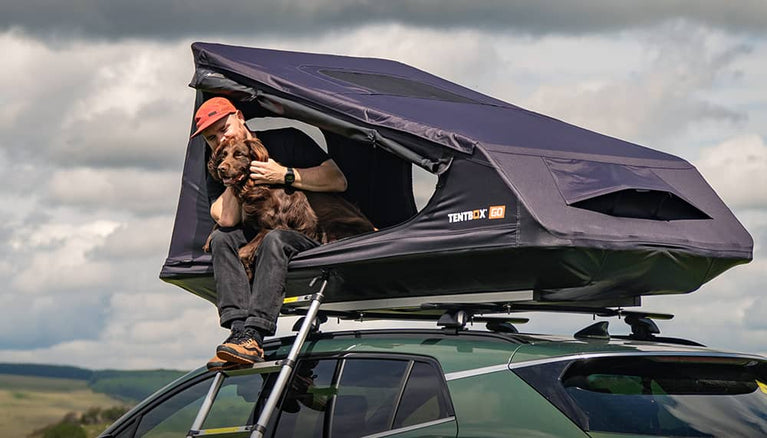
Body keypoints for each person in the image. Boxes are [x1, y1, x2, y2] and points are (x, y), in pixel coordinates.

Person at [191, 97, 347, 371]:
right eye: (211, 138)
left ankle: (255, 332)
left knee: (274, 239)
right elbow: (227, 219)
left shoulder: (287, 140)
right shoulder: (220, 163)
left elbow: (337, 180)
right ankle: (240, 333)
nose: (219, 139)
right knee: (222, 238)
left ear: (239, 116)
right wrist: (233, 172)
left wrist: (283, 174)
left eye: (224, 129)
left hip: (305, 234)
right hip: (257, 235)